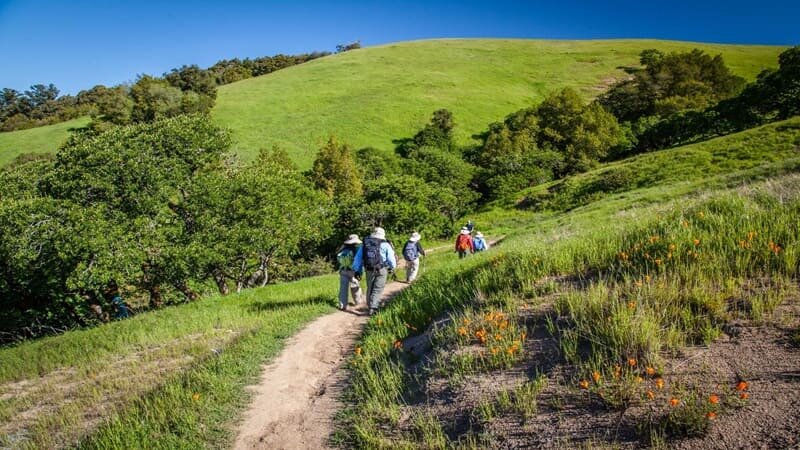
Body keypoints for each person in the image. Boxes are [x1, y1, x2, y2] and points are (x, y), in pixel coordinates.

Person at [352, 227, 397, 316]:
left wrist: (357, 270)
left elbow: (358, 258)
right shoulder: (385, 244)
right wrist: (392, 268)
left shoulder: (365, 244)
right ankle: (373, 308)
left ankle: (370, 305)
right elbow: (391, 260)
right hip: (381, 269)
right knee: (377, 289)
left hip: (369, 269)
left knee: (370, 287)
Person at [336, 234, 364, 310]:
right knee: (355, 286)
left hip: (343, 270)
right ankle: (358, 302)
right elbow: (359, 261)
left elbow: (337, 258)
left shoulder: (343, 248)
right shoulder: (357, 248)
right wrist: (359, 272)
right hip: (353, 271)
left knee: (343, 288)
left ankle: (342, 305)